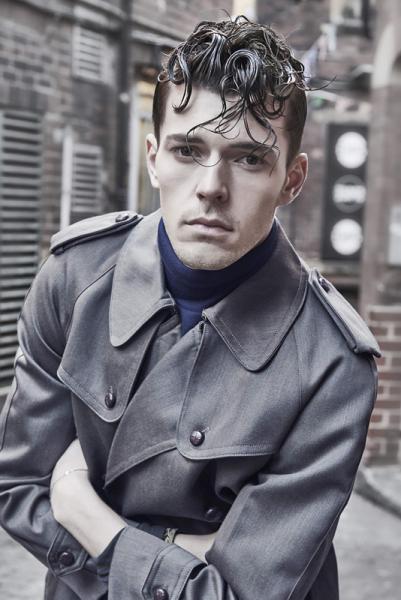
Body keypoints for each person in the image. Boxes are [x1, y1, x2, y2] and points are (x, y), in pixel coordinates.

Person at [0, 15, 380, 600]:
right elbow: (18, 485)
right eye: (187, 149)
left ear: (292, 179)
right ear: (154, 157)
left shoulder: (331, 360)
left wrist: (88, 515)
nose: (211, 187)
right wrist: (185, 555)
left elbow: (247, 593)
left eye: (248, 159)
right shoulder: (75, 280)